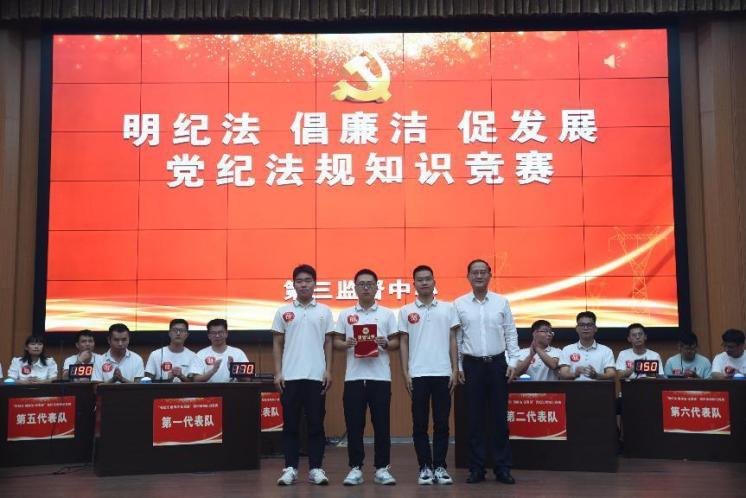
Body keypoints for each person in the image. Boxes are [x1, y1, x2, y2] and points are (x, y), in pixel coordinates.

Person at [454, 259, 519, 485]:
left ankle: (503, 468)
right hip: (472, 366)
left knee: (500, 418)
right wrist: (459, 366)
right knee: (475, 419)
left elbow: (510, 333)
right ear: (468, 276)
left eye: (483, 272)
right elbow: (457, 339)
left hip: (498, 364)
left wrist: (513, 361)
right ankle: (476, 468)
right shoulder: (459, 304)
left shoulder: (501, 302)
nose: (479, 276)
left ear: (490, 275)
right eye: (475, 272)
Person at [333, 268, 399, 486]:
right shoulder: (345, 314)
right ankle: (355, 468)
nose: (366, 287)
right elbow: (336, 342)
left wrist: (385, 343)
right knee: (354, 426)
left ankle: (382, 468)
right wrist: (347, 344)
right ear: (355, 288)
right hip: (353, 378)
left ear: (377, 287)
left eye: (370, 284)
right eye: (361, 284)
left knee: (382, 425)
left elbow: (396, 342)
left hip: (380, 378)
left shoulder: (387, 314)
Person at [272, 264, 334, 486]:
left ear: (315, 284)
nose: (304, 284)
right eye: (299, 281)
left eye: (308, 280)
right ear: (293, 284)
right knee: (290, 424)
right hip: (290, 377)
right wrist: (278, 372)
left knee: (316, 424)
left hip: (316, 376)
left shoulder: (324, 311)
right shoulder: (283, 311)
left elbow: (329, 343)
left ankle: (316, 468)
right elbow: (277, 343)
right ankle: (290, 468)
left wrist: (328, 370)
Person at [398, 265, 459, 485]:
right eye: (420, 280)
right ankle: (424, 467)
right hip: (418, 374)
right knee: (420, 423)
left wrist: (455, 369)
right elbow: (403, 342)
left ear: (434, 282)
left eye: (428, 279)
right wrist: (405, 372)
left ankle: (440, 467)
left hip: (443, 373)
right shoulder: (405, 311)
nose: (424, 282)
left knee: (442, 423)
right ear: (414, 284)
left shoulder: (448, 308)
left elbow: (453, 339)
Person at [558, 311, 616, 381]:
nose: (585, 328)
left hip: (598, 387)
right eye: (582, 325)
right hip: (574, 387)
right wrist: (575, 374)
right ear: (576, 328)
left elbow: (611, 374)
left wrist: (597, 375)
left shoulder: (606, 350)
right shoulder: (567, 349)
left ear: (595, 328)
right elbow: (563, 373)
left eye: (589, 325)